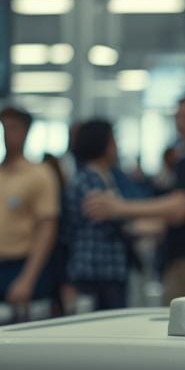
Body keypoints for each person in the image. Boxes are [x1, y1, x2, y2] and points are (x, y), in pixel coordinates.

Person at [84, 96, 185, 301]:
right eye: (178, 116)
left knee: (181, 327)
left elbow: (179, 210)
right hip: (181, 259)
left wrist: (120, 208)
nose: (181, 123)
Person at [0, 106, 60, 311]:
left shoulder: (40, 175)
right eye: (4, 128)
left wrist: (28, 278)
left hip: (21, 264)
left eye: (13, 128)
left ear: (26, 132)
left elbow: (47, 229)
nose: (7, 134)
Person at [61, 120, 132, 311]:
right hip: (93, 272)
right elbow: (116, 220)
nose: (117, 146)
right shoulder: (86, 182)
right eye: (113, 141)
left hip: (111, 270)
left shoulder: (109, 177)